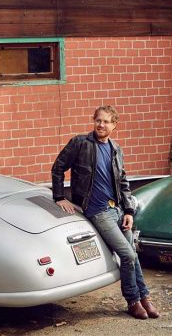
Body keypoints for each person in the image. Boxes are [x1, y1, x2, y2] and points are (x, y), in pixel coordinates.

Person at [52, 105, 159, 320]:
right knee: (127, 255)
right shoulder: (80, 144)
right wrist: (59, 197)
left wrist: (128, 210)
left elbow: (123, 182)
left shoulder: (116, 149)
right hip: (97, 210)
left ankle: (144, 298)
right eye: (98, 120)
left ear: (114, 125)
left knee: (132, 255)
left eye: (106, 121)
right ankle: (133, 301)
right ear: (94, 121)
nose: (101, 125)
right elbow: (58, 168)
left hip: (117, 210)